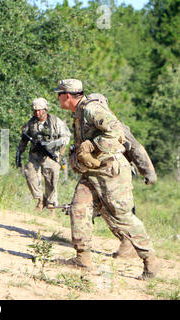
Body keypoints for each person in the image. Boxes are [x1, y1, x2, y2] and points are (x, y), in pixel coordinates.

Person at [54, 79, 161, 280]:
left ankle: (151, 261)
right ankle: (82, 259)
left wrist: (93, 146)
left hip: (111, 172)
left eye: (59, 94)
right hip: (92, 173)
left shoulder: (91, 109)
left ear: (67, 95)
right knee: (79, 208)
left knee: (122, 217)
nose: (57, 97)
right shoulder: (78, 113)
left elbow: (116, 131)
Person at [86, 94, 158, 259]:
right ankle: (126, 243)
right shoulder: (90, 127)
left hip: (119, 174)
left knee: (122, 211)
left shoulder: (117, 126)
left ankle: (132, 246)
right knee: (105, 211)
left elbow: (136, 149)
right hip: (100, 175)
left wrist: (148, 172)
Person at [16, 98, 71, 212]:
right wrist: (19, 153)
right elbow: (24, 139)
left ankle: (51, 206)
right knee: (30, 175)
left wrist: (52, 144)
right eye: (35, 111)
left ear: (45, 109)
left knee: (51, 181)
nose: (37, 113)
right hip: (35, 155)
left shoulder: (55, 122)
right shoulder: (31, 123)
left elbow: (66, 137)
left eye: (40, 110)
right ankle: (40, 199)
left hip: (51, 155)